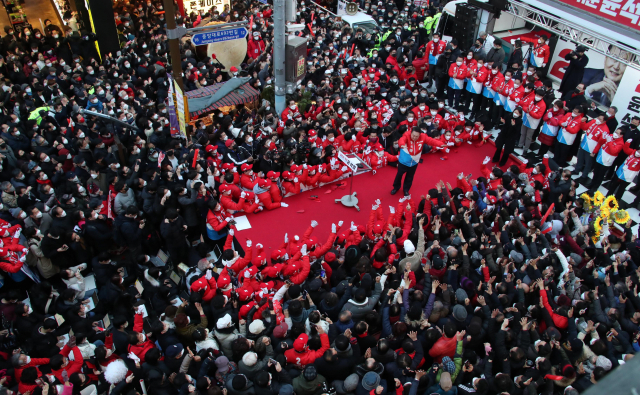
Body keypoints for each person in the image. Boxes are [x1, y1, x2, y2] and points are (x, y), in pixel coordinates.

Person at [391, 128, 443, 196]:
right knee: (399, 175)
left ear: (419, 135)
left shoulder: (423, 136)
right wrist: (401, 144)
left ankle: (406, 190)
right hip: (403, 161)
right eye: (413, 135)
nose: (414, 137)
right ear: (411, 133)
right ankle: (396, 187)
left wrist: (440, 144)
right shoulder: (407, 135)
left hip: (414, 162)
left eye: (416, 136)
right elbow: (401, 140)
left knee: (410, 177)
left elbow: (431, 141)